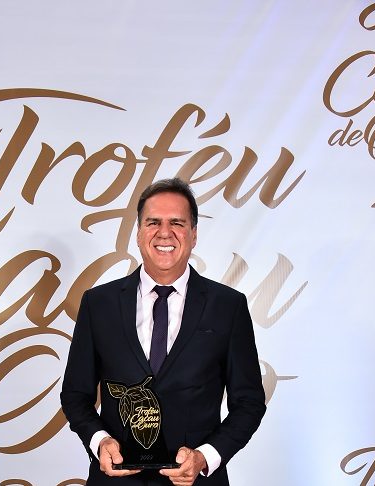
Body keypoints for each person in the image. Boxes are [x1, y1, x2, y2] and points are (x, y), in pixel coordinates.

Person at [61, 178, 266, 485]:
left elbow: (249, 403)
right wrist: (100, 441)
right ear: (138, 233)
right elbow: (75, 395)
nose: (164, 232)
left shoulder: (229, 306)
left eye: (177, 223)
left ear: (194, 234)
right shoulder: (98, 304)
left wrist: (204, 458)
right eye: (153, 222)